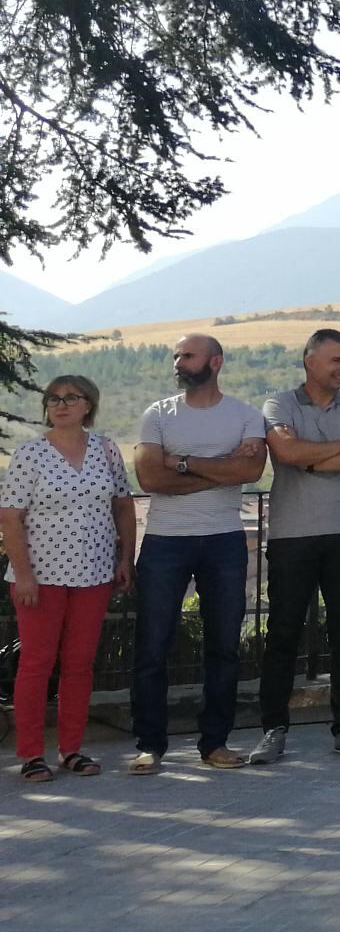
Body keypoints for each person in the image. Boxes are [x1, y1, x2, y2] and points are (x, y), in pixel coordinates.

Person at [129, 334, 268, 773]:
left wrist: (183, 462)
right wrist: (219, 468)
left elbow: (249, 470)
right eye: (176, 355)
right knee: (152, 646)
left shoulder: (245, 415)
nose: (178, 362)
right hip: (165, 541)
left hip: (224, 539)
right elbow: (151, 478)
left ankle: (215, 743)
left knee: (224, 646)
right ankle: (149, 745)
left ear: (216, 362)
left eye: (186, 355)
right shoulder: (158, 414)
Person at [252, 329, 340, 764]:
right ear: (310, 361)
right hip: (292, 535)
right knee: (283, 634)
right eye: (336, 360)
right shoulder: (279, 404)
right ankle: (273, 728)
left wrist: (315, 457)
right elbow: (286, 453)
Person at [2, 375, 134, 780]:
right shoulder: (31, 455)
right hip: (40, 577)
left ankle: (71, 749)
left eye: (70, 398)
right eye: (54, 399)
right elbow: (9, 517)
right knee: (37, 664)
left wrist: (125, 558)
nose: (60, 405)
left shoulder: (107, 451)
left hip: (93, 574)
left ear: (87, 405)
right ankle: (30, 754)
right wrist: (23, 575)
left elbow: (124, 507)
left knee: (79, 664)